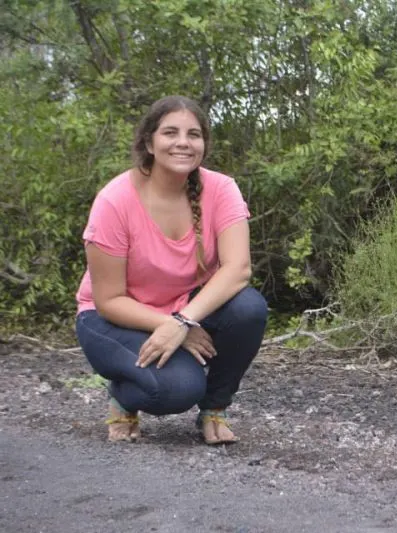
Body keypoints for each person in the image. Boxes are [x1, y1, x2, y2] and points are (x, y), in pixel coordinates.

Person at [74, 95, 268, 444]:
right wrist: (172, 325)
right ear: (149, 142)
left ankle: (214, 410)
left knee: (248, 308)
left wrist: (183, 321)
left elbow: (237, 268)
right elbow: (109, 299)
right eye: (170, 133)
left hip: (181, 308)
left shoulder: (221, 189)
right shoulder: (115, 200)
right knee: (178, 389)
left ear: (204, 145)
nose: (183, 143)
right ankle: (123, 395)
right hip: (113, 319)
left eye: (194, 134)